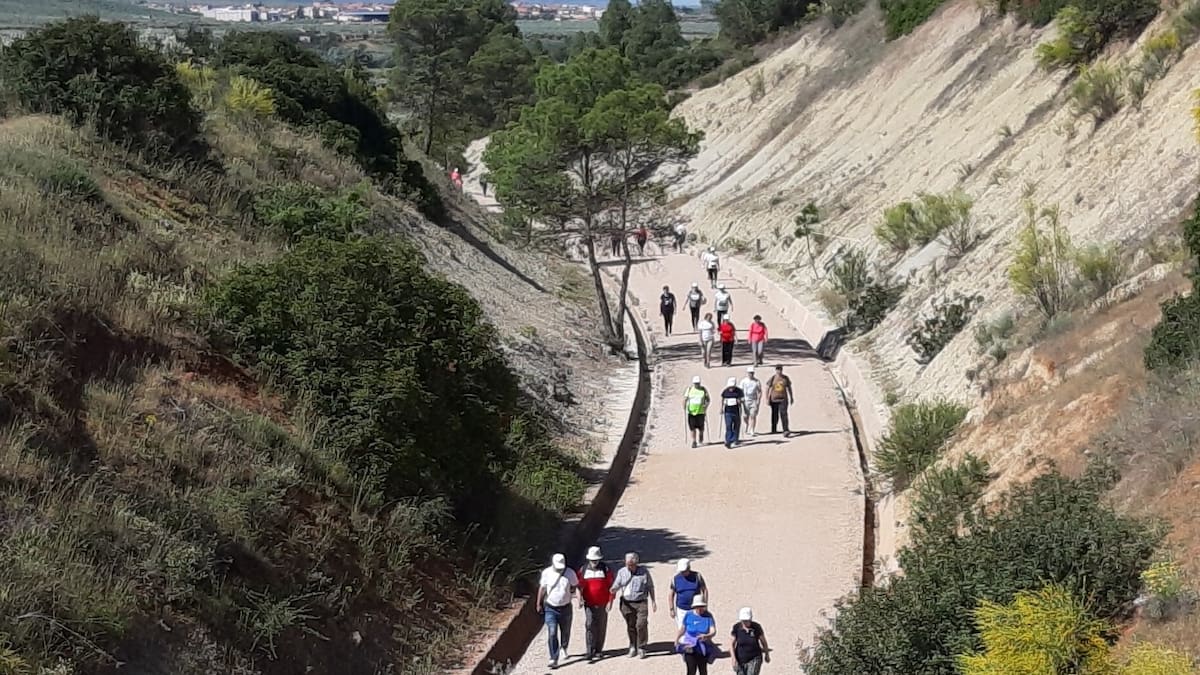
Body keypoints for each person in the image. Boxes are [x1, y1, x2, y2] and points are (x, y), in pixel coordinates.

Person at [536, 553, 579, 669]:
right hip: (550, 608)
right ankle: (553, 658)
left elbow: (575, 585)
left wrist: (576, 596)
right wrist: (538, 603)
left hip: (566, 607)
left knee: (565, 631)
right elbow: (542, 588)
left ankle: (564, 648)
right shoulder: (547, 573)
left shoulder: (570, 573)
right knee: (552, 632)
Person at [610, 551, 656, 658]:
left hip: (641, 602)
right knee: (631, 626)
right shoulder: (622, 572)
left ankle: (642, 647)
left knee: (641, 624)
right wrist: (614, 589)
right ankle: (632, 646)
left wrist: (653, 601)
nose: (628, 566)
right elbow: (617, 584)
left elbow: (650, 586)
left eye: (630, 564)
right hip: (626, 603)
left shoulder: (644, 572)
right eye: (627, 564)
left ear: (636, 563)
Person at [578, 546, 614, 663]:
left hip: (603, 603)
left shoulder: (605, 569)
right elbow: (579, 586)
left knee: (601, 626)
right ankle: (589, 650)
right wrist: (579, 599)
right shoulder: (583, 570)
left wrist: (610, 601)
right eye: (592, 560)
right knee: (589, 625)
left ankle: (598, 650)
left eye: (596, 560)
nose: (594, 562)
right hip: (589, 603)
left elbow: (611, 587)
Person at [675, 596, 717, 675]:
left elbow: (713, 631)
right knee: (691, 670)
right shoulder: (689, 614)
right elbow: (683, 628)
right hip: (689, 646)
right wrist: (677, 639)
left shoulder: (708, 616)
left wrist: (707, 636)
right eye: (698, 607)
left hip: (702, 646)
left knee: (703, 670)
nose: (700, 609)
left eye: (702, 607)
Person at [669, 559, 709, 628]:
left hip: (695, 608)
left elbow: (704, 590)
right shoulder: (675, 579)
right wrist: (671, 609)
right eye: (682, 571)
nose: (683, 573)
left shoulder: (697, 576)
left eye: (685, 571)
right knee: (682, 628)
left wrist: (704, 605)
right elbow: (671, 595)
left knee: (696, 628)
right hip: (681, 609)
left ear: (689, 568)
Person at [730, 607, 771, 675]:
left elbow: (764, 642)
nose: (746, 622)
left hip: (754, 658)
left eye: (747, 620)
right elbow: (731, 644)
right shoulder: (736, 628)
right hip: (740, 659)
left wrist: (767, 654)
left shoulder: (756, 627)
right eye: (744, 621)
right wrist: (733, 659)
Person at [765, 365, 795, 435]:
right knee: (774, 415)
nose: (779, 371)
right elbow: (767, 388)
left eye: (780, 369)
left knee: (783, 414)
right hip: (774, 399)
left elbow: (789, 388)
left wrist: (791, 397)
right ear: (776, 370)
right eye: (778, 369)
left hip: (783, 399)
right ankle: (774, 429)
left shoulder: (785, 378)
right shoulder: (773, 378)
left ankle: (785, 429)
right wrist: (767, 398)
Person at [684, 375, 710, 448]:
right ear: (693, 383)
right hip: (691, 412)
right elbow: (685, 399)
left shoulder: (703, 389)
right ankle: (694, 441)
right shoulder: (689, 389)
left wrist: (706, 406)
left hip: (701, 412)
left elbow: (708, 399)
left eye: (698, 383)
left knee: (701, 428)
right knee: (692, 428)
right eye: (695, 383)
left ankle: (701, 435)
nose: (697, 385)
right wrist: (684, 405)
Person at [739, 366, 763, 438]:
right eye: (750, 373)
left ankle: (752, 430)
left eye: (752, 373)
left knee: (753, 415)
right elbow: (740, 391)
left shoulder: (757, 381)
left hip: (753, 400)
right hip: (745, 400)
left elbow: (759, 391)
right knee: (745, 416)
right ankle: (747, 424)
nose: (751, 374)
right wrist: (741, 399)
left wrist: (758, 400)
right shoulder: (743, 381)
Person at [720, 376, 744, 448]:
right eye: (730, 387)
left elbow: (742, 399)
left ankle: (735, 439)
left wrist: (739, 401)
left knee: (736, 426)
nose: (731, 388)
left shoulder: (739, 391)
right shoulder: (725, 391)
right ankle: (728, 440)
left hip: (736, 411)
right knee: (728, 425)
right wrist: (721, 408)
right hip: (728, 411)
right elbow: (722, 399)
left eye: (732, 387)